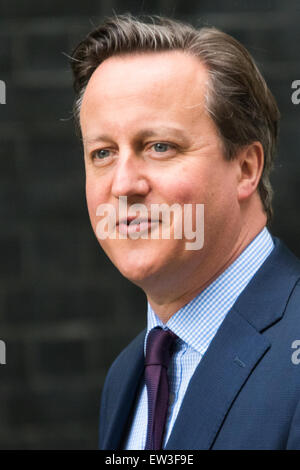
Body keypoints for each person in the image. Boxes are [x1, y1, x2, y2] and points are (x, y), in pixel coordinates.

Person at [70, 14, 300, 450]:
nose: (123, 185)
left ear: (246, 168)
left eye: (159, 147)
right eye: (102, 153)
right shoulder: (126, 377)